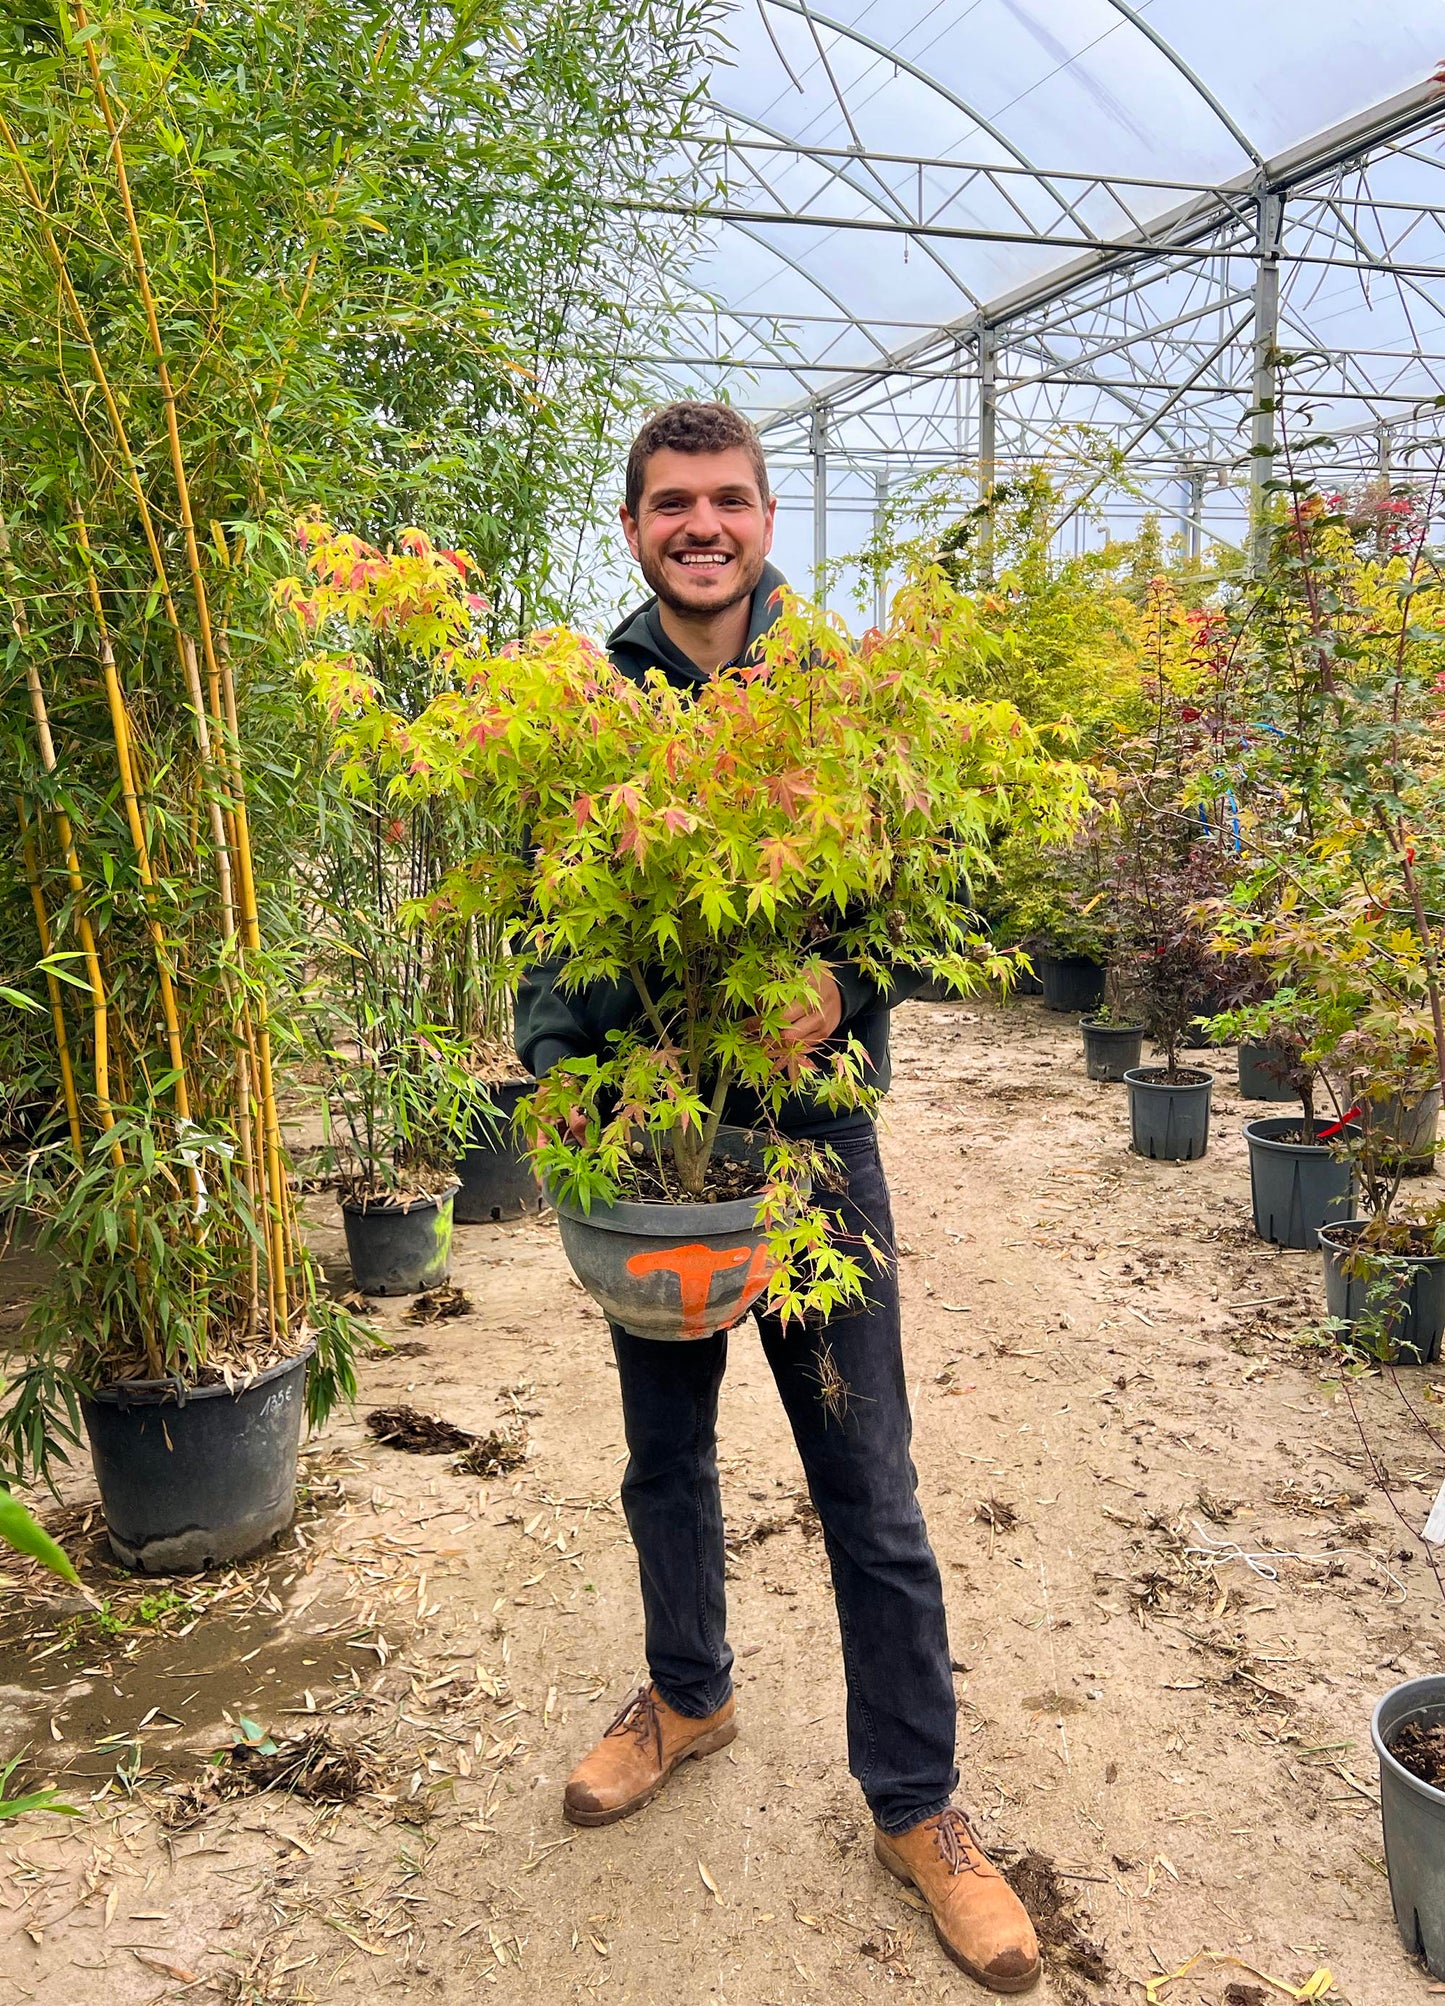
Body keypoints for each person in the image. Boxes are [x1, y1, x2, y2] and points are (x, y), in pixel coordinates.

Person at [514, 401, 1040, 1995]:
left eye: (727, 500)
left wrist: (844, 978)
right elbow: (548, 933)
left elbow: (928, 901)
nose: (701, 524)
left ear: (763, 518)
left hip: (812, 1156)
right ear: (631, 528)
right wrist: (562, 1086)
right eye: (671, 502)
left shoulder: (841, 696)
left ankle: (916, 1803)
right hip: (656, 1152)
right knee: (661, 1461)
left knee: (865, 1487)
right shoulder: (586, 706)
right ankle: (687, 1692)